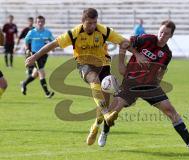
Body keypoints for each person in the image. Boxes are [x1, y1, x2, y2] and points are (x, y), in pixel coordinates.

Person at [25, 8, 146, 147]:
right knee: (94, 80)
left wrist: (136, 54)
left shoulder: (104, 31)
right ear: (82, 22)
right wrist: (34, 56)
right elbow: (52, 44)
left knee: (103, 102)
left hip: (104, 65)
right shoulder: (74, 33)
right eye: (89, 23)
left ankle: (95, 126)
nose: (92, 26)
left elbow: (123, 42)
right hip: (84, 65)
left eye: (94, 23)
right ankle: (106, 114)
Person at [104, 20, 189, 151]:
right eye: (161, 31)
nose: (162, 35)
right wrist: (129, 59)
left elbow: (161, 71)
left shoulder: (167, 54)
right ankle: (104, 133)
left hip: (150, 85)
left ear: (171, 36)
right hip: (131, 82)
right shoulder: (146, 39)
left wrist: (157, 80)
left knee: (170, 110)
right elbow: (124, 43)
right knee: (115, 109)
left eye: (166, 33)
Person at [21, 15, 54, 98]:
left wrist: (53, 47)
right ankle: (47, 93)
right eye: (38, 22)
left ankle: (24, 83)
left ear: (44, 22)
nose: (40, 23)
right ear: (36, 23)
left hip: (44, 55)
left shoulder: (48, 32)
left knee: (35, 74)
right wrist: (27, 49)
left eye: (42, 22)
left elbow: (53, 41)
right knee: (41, 72)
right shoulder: (32, 32)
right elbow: (26, 40)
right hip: (35, 55)